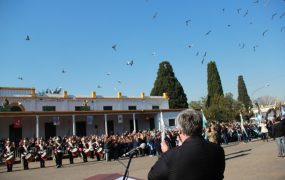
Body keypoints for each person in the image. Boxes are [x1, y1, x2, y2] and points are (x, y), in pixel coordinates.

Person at [148, 109, 225, 180]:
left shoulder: (171, 155)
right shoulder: (218, 150)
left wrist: (165, 153)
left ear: (180, 130)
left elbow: (152, 177)